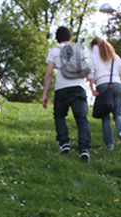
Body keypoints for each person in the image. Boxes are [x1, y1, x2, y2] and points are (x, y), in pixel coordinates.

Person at [42, 26, 91, 162]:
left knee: (59, 115)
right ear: (70, 37)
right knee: (82, 119)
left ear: (57, 39)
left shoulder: (54, 51)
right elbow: (88, 70)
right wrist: (92, 86)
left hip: (62, 88)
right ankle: (84, 149)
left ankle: (64, 143)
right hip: (79, 87)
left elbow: (50, 72)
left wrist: (45, 94)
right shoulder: (79, 49)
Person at [88, 37, 121, 151]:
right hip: (117, 85)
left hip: (102, 86)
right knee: (118, 114)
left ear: (93, 46)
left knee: (105, 116)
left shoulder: (92, 56)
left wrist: (92, 88)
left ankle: (109, 145)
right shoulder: (114, 56)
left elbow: (90, 73)